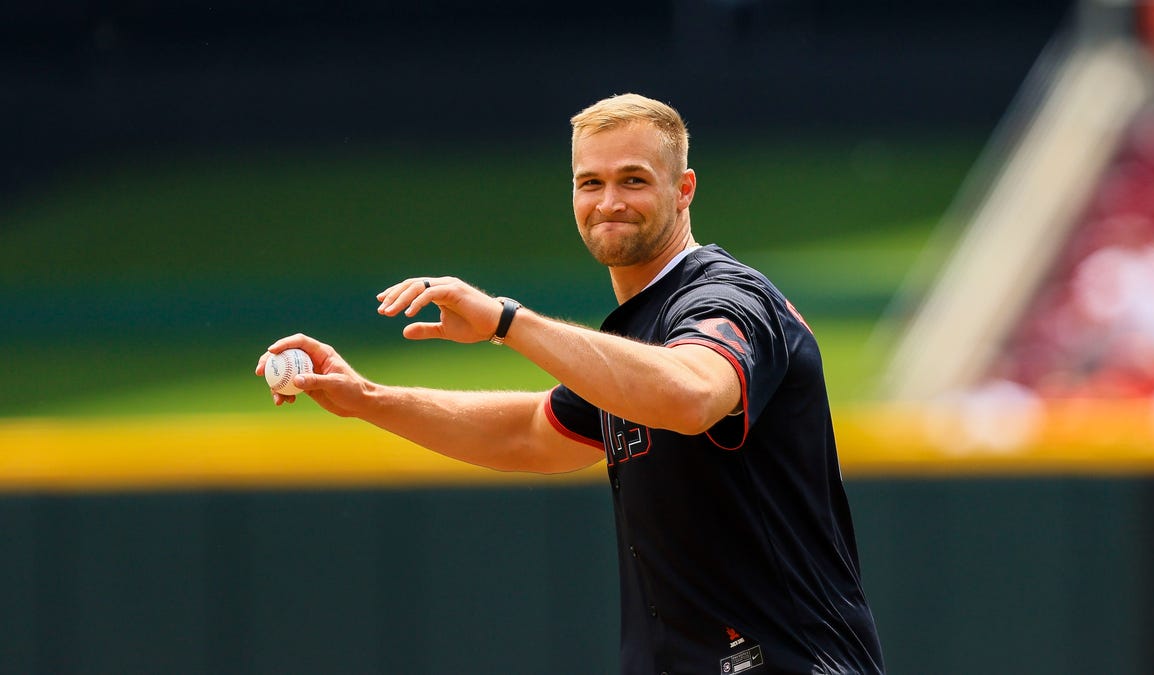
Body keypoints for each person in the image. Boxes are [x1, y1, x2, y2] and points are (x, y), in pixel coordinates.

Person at [256, 93, 885, 674]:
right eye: (591, 182)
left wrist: (508, 321)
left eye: (633, 180)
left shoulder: (728, 298)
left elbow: (691, 395)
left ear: (684, 188)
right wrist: (365, 398)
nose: (608, 202)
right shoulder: (639, 336)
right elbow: (530, 435)